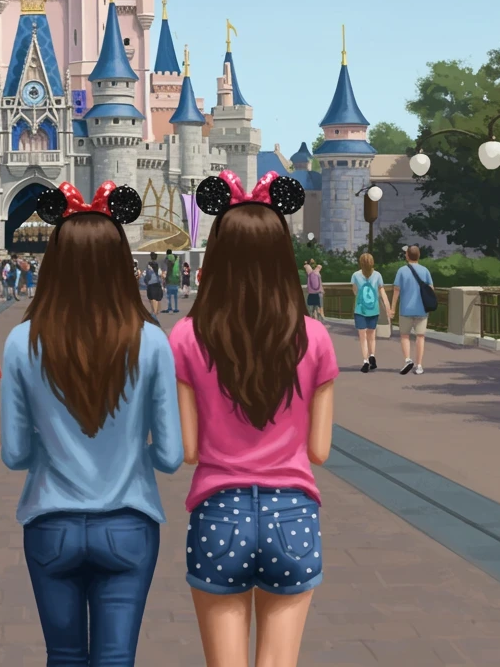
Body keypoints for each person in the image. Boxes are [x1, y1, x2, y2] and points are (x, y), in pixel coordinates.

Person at [2, 180, 181, 666]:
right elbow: (169, 456)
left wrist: (57, 445)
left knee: (63, 656)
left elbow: (15, 455)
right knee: (116, 657)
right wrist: (124, 454)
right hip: (128, 522)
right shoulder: (152, 341)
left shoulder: (22, 342)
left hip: (50, 522)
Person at [171, 170, 334, 667]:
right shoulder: (314, 338)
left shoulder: (186, 336)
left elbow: (190, 450)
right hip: (293, 512)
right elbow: (319, 451)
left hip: (219, 511)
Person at [391, 245, 433, 376]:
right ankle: (419, 365)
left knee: (405, 336)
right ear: (419, 256)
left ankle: (408, 360)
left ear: (407, 255)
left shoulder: (402, 271)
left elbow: (396, 291)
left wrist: (392, 308)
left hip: (406, 309)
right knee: (420, 337)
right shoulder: (425, 270)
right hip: (422, 309)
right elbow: (431, 288)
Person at [352, 253, 390, 372]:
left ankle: (365, 361)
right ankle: (372, 355)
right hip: (374, 309)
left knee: (362, 337)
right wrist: (388, 308)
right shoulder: (377, 275)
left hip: (360, 310)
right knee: (372, 336)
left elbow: (355, 292)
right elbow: (382, 292)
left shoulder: (355, 275)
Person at [163, 249, 181, 314]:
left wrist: (165, 280)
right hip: (176, 279)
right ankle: (176, 308)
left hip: (170, 279)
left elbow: (168, 267)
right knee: (175, 296)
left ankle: (169, 307)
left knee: (169, 296)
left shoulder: (167, 259)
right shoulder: (177, 259)